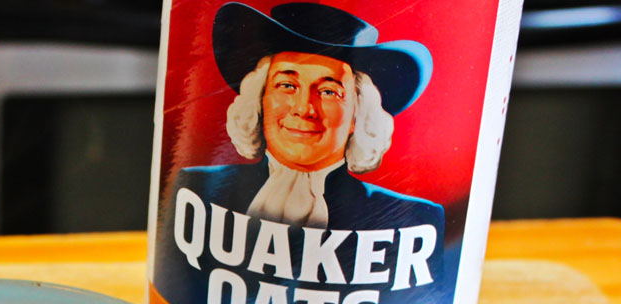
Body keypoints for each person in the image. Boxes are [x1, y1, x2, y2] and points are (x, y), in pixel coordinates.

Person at [173, 1, 443, 232]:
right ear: (260, 100)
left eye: (328, 91)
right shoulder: (196, 188)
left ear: (357, 116)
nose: (304, 109)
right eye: (287, 86)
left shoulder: (415, 220)